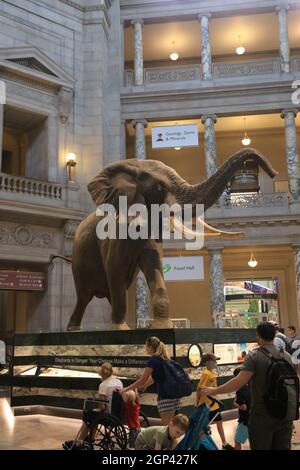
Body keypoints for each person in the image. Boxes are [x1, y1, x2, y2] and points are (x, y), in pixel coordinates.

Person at [201, 322, 297, 450]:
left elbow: (238, 382)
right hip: (285, 413)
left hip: (262, 415)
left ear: (259, 336)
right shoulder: (287, 356)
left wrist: (215, 390)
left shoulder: (254, 356)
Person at [122, 336, 181, 425]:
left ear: (150, 347)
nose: (145, 348)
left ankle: (169, 438)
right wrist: (144, 386)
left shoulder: (153, 361)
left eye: (146, 346)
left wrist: (125, 389)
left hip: (165, 396)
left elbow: (142, 380)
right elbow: (154, 378)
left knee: (167, 426)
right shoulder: (166, 359)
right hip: (175, 395)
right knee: (169, 424)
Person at [63, 362, 123, 450]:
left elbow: (102, 406)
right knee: (94, 416)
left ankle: (79, 442)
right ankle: (90, 438)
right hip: (117, 414)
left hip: (107, 415)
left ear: (101, 373)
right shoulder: (119, 381)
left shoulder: (103, 385)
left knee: (88, 416)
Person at [196, 353, 233, 450]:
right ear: (207, 363)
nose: (216, 363)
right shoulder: (205, 373)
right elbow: (199, 388)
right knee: (204, 427)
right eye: (214, 361)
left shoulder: (212, 372)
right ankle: (204, 445)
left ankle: (224, 443)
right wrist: (197, 402)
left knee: (219, 421)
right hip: (207, 405)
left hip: (214, 404)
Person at [233, 367, 251, 450]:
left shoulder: (240, 391)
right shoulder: (250, 387)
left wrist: (235, 404)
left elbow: (244, 407)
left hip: (245, 420)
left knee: (237, 440)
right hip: (253, 418)